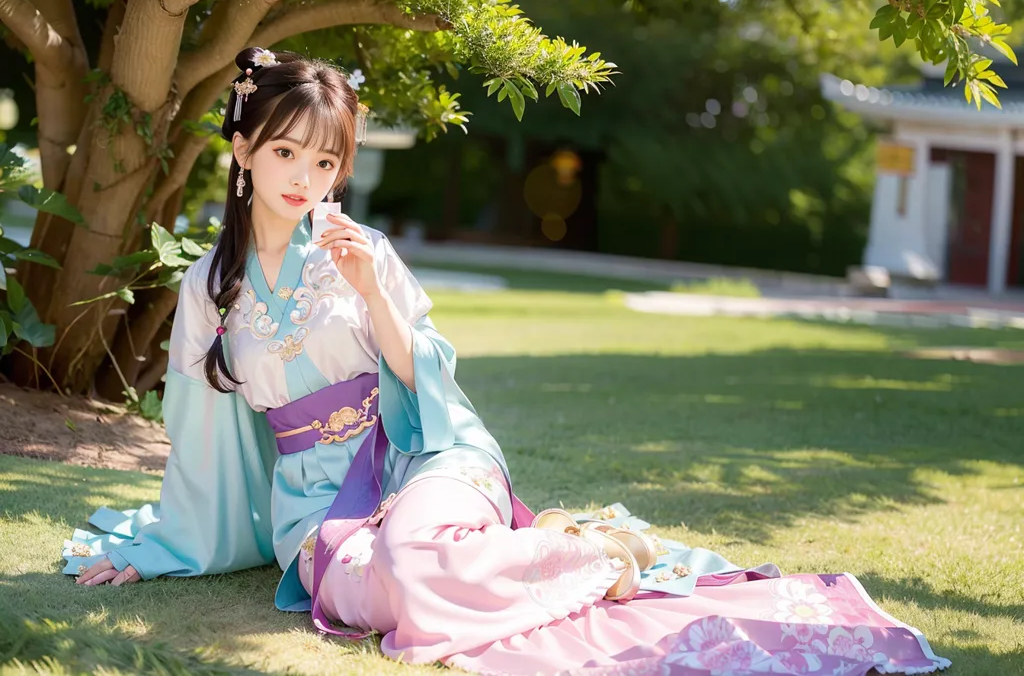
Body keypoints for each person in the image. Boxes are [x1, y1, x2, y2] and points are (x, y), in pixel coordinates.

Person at [65, 48, 949, 676]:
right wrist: (169, 544)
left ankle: (598, 554)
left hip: (425, 456)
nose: (306, 177)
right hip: (313, 506)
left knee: (420, 557)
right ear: (243, 152)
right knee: (397, 589)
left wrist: (373, 292)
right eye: (287, 152)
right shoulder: (208, 292)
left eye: (326, 159)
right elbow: (207, 442)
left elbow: (432, 386)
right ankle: (557, 552)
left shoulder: (363, 250)